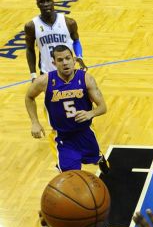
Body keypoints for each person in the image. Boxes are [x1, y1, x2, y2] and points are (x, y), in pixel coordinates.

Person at [25, 45, 109, 174]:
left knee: (94, 158)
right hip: (62, 137)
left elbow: (103, 107)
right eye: (60, 60)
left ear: (74, 60)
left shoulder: (86, 79)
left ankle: (100, 159)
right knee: (71, 174)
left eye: (67, 58)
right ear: (54, 63)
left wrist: (90, 113)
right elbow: (29, 97)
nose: (65, 62)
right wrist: (35, 122)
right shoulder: (44, 81)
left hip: (85, 132)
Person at [25, 0, 87, 81]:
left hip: (68, 71)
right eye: (42, 2)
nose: (46, 4)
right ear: (37, 4)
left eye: (48, 1)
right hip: (47, 73)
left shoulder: (69, 22)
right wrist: (33, 74)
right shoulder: (31, 26)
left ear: (53, 2)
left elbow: (76, 41)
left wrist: (79, 57)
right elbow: (30, 49)